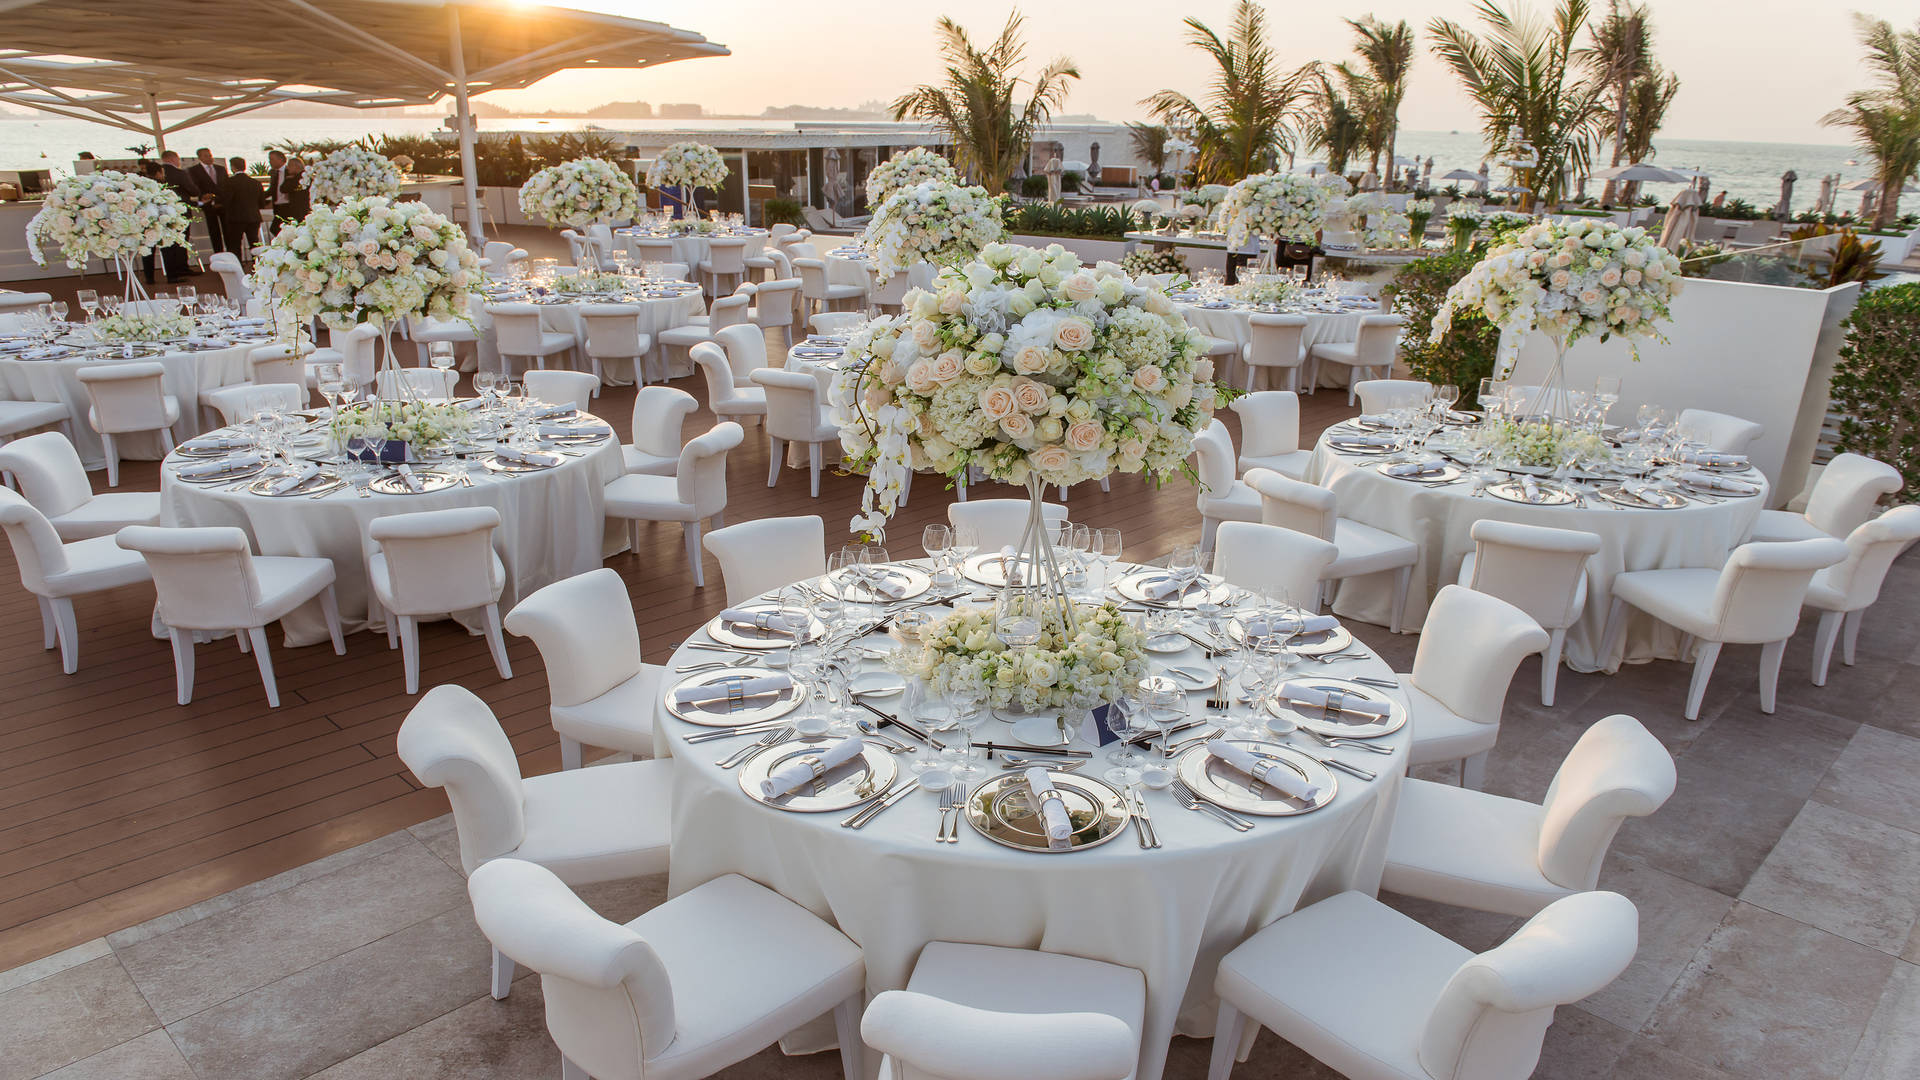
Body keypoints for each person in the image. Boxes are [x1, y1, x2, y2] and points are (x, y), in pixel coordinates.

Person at [153, 154, 195, 283]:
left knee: (168, 243)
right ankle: (181, 268)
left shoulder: (155, 175)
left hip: (162, 214)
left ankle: (173, 272)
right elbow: (193, 190)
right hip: (180, 212)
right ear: (172, 159)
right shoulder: (180, 173)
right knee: (182, 241)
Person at [186, 147, 229, 255]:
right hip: (207, 204)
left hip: (222, 203)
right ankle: (219, 254)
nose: (210, 158)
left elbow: (227, 185)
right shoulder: (193, 170)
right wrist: (203, 196)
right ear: (199, 157)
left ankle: (231, 253)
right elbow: (194, 187)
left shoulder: (221, 169)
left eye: (210, 155)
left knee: (228, 230)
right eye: (206, 156)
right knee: (214, 231)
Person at [219, 157, 264, 259]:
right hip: (253, 217)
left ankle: (237, 265)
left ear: (233, 167)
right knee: (254, 243)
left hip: (235, 218)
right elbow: (262, 203)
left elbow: (226, 200)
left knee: (234, 245)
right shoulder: (256, 183)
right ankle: (257, 265)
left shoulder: (229, 182)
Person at [265, 149, 290, 232]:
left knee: (275, 229)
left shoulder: (289, 171)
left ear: (280, 160)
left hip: (288, 206)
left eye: (271, 159)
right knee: (276, 229)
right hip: (278, 206)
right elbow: (272, 189)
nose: (269, 162)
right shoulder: (273, 173)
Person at [279, 156, 310, 222]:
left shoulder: (296, 179)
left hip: (299, 211)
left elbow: (283, 189)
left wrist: (288, 179)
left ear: (296, 166)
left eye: (289, 165)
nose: (287, 168)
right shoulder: (308, 176)